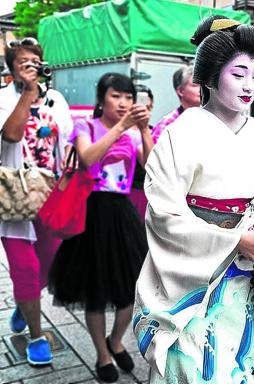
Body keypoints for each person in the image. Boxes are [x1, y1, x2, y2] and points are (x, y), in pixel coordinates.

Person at [132, 16, 254, 383]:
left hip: (244, 278)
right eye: (238, 73)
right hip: (195, 277)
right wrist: (237, 238)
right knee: (189, 367)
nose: (249, 85)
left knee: (233, 363)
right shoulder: (180, 135)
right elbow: (164, 215)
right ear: (210, 76)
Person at [47, 73, 153, 382]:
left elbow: (151, 166)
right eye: (116, 96)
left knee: (133, 287)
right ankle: (102, 354)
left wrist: (144, 129)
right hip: (90, 212)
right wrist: (121, 128)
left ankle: (116, 340)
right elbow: (87, 158)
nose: (123, 103)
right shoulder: (86, 127)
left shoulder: (134, 131)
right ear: (101, 99)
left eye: (128, 97)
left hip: (121, 213)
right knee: (94, 289)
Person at [0, 37, 73, 366]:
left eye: (34, 61)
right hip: (14, 198)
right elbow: (11, 135)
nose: (29, 66)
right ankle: (36, 335)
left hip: (49, 196)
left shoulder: (56, 99)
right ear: (11, 68)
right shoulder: (3, 98)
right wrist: (27, 93)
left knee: (48, 264)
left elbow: (68, 142)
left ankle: (23, 302)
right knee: (25, 269)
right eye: (21, 62)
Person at [151, 65, 201, 144]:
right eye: (195, 85)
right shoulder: (168, 124)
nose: (201, 89)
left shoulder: (212, 120)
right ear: (181, 91)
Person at [129, 84, 154, 222]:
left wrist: (144, 129)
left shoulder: (154, 130)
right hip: (127, 194)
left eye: (149, 107)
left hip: (145, 195)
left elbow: (151, 166)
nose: (145, 111)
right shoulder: (118, 131)